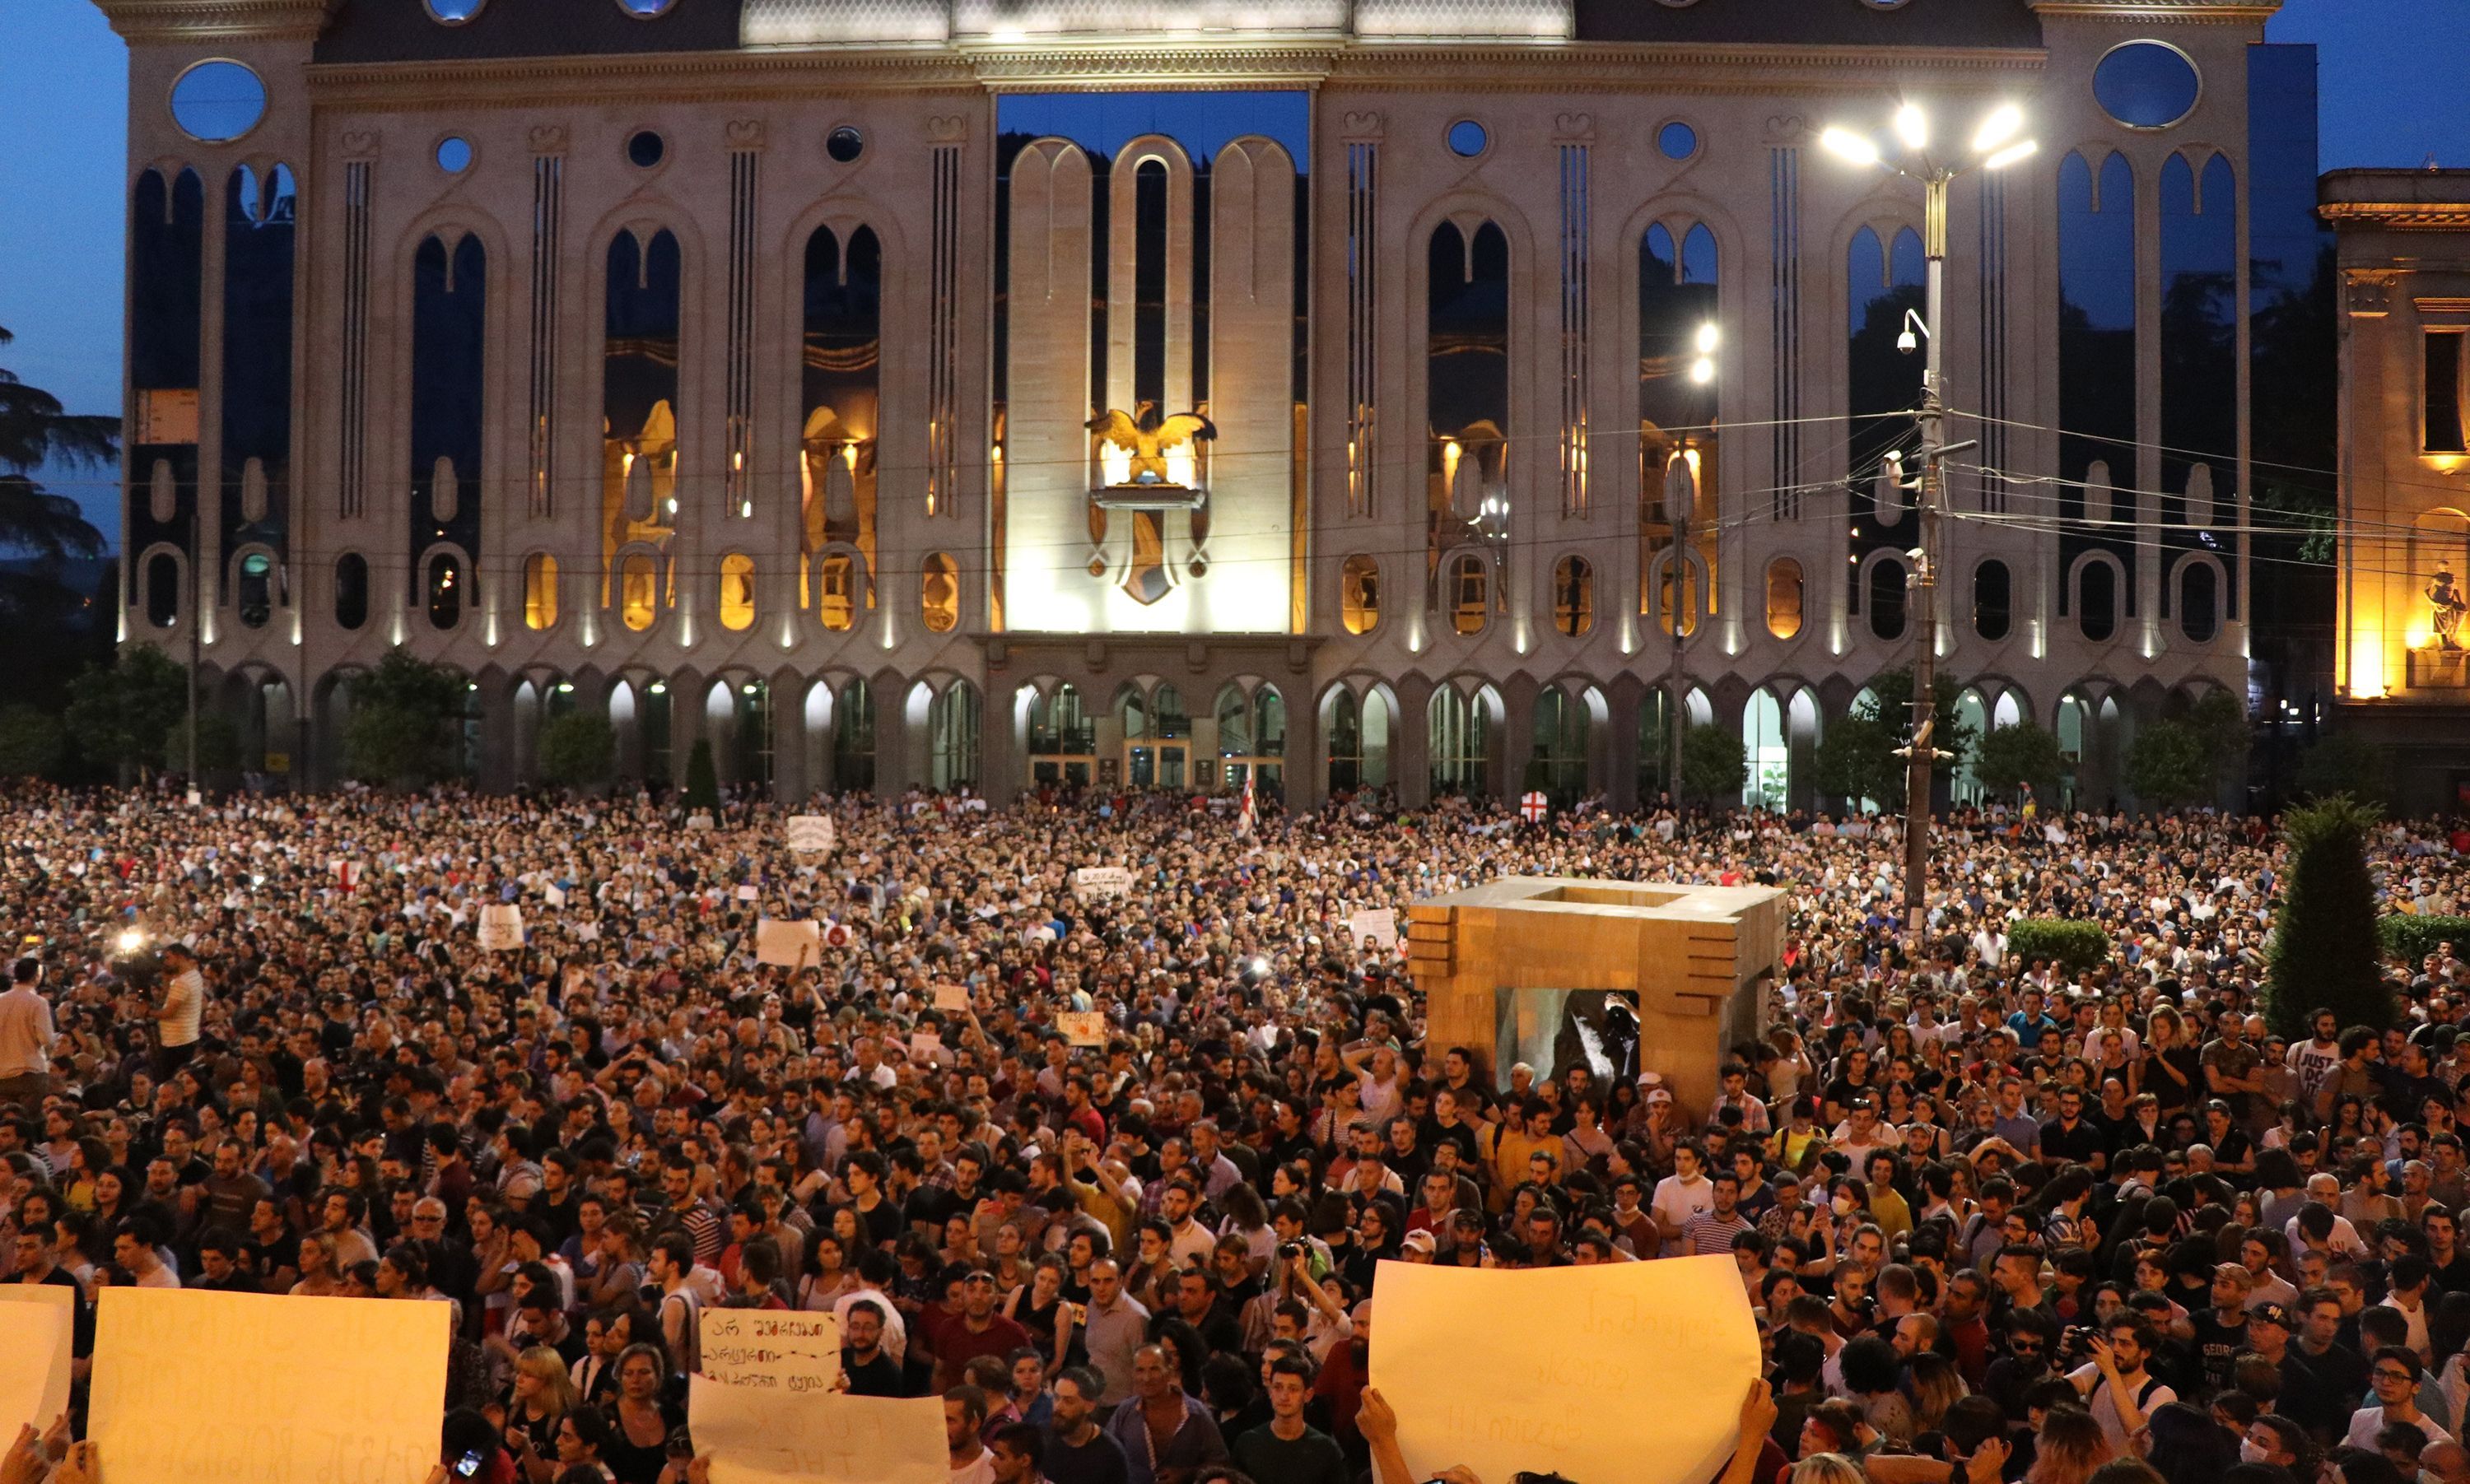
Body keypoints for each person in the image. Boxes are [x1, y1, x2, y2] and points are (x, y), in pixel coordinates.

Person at [1100, 1345, 1227, 1484]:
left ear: (1169, 1372)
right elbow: (1105, 1455)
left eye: (1154, 1369)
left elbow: (1220, 1461)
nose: (1147, 1378)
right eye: (1140, 1370)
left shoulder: (1197, 1414)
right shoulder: (1125, 1412)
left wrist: (1187, 1473)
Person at [1229, 1356, 1348, 1484]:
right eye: (1278, 1387)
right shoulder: (1248, 1444)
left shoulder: (1325, 1450)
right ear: (1270, 1392)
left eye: (1293, 1389)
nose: (1284, 1397)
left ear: (1307, 1395)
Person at [1041, 1368, 1128, 1484]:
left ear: (1089, 1407)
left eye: (1068, 1401)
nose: (1058, 1407)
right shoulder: (1043, 1437)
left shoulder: (1111, 1454)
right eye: (1056, 1398)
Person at [0, 956, 54, 1113]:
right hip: (29, 1074)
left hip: (2, 1075)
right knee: (29, 1122)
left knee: (6, 1123)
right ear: (37, 976)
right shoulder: (38, 1002)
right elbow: (45, 1039)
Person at [841, 1300, 905, 1397]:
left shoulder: (890, 1375)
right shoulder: (840, 1358)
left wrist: (845, 1394)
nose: (860, 1334)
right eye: (855, 1327)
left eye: (868, 1328)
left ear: (881, 1332)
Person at [948, 1386, 998, 1484]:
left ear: (974, 1424)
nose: (943, 1427)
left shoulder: (992, 1471)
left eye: (950, 1420)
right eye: (942, 1419)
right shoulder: (931, 1461)